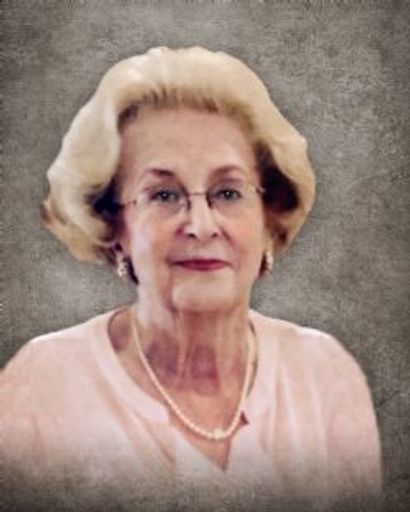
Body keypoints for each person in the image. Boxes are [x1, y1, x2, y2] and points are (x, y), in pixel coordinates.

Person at [1, 47, 381, 512]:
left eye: (228, 192)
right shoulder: (41, 388)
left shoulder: (325, 376)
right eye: (163, 194)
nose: (201, 226)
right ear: (113, 225)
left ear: (268, 216)